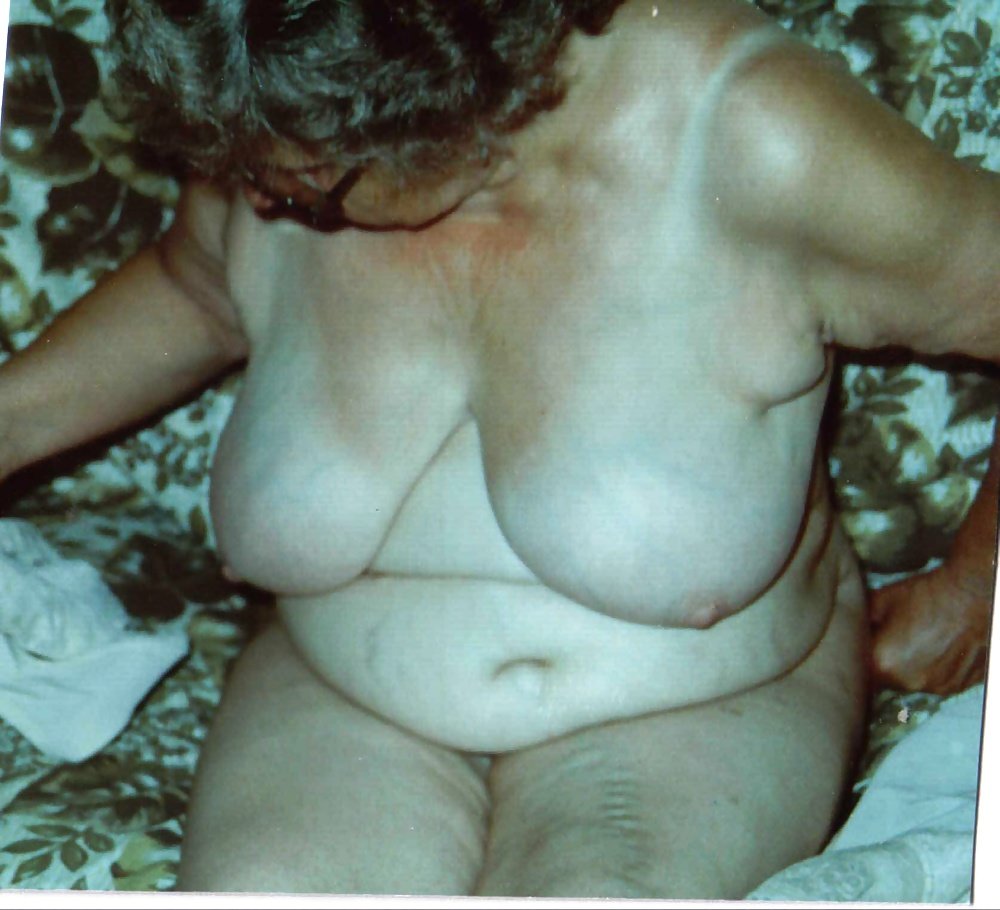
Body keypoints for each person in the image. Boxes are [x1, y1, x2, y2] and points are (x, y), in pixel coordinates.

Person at [0, 0, 996, 898]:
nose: (258, 204)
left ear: (437, 115)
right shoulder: (280, 101)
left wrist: (975, 588)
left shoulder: (754, 130)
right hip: (338, 693)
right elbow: (195, 286)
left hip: (701, 706)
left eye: (305, 191)